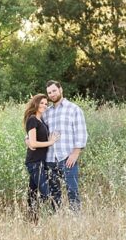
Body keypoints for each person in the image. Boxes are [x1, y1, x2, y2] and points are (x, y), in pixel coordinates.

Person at [43, 80, 87, 211]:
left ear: (60, 89)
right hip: (50, 159)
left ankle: (75, 220)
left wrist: (75, 153)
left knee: (72, 190)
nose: (52, 94)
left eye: (54, 91)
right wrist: (28, 139)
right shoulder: (47, 112)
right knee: (54, 193)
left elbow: (81, 132)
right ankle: (56, 219)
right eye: (49, 93)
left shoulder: (73, 109)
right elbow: (37, 128)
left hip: (67, 158)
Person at [23, 93, 58, 221]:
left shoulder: (40, 120)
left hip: (41, 161)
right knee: (46, 191)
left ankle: (32, 220)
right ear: (35, 104)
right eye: (41, 103)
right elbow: (33, 143)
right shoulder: (32, 119)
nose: (44, 105)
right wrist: (51, 142)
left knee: (32, 192)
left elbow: (30, 139)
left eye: (45, 103)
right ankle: (52, 218)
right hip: (34, 162)